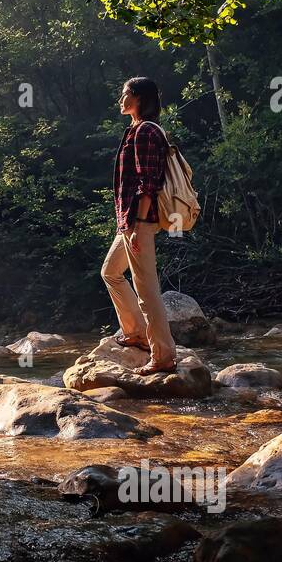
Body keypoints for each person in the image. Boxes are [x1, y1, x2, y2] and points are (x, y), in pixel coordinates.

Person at [100, 77, 177, 375]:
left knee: (147, 290)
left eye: (124, 95)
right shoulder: (134, 129)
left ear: (139, 98)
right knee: (110, 271)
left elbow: (148, 183)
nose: (120, 100)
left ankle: (164, 356)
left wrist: (137, 225)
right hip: (129, 221)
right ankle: (136, 333)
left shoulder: (145, 131)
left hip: (139, 221)